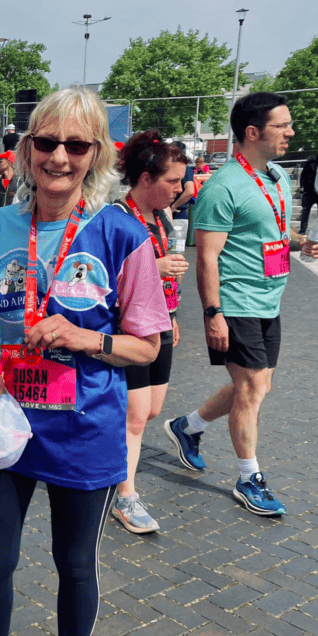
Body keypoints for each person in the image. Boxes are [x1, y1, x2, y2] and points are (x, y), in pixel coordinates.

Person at [0, 87, 170, 636]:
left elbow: (148, 344)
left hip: (84, 428)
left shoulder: (120, 231)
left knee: (73, 563)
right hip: (8, 423)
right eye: (46, 142)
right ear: (26, 150)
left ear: (95, 155)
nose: (58, 156)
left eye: (74, 144)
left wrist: (85, 338)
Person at [164, 92, 318, 518]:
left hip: (268, 301)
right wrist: (212, 313)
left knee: (255, 387)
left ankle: (188, 427)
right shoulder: (222, 187)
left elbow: (272, 231)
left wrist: (302, 243)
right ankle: (248, 478)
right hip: (235, 303)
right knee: (252, 389)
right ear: (253, 132)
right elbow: (206, 257)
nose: (291, 132)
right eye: (282, 125)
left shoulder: (275, 176)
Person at [108, 131, 190, 534]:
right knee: (136, 418)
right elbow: (103, 277)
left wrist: (172, 314)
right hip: (130, 330)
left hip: (161, 324)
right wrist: (153, 270)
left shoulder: (161, 216)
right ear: (145, 179)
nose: (181, 188)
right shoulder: (117, 220)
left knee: (152, 410)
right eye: (173, 181)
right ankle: (125, 496)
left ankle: (112, 466)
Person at [298, 144, 318, 235]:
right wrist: (302, 186)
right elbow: (303, 175)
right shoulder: (311, 161)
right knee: (306, 211)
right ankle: (303, 229)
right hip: (309, 189)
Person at [168, 141, 195, 218]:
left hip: (177, 213)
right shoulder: (169, 168)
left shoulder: (185, 169)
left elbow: (189, 191)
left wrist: (173, 207)